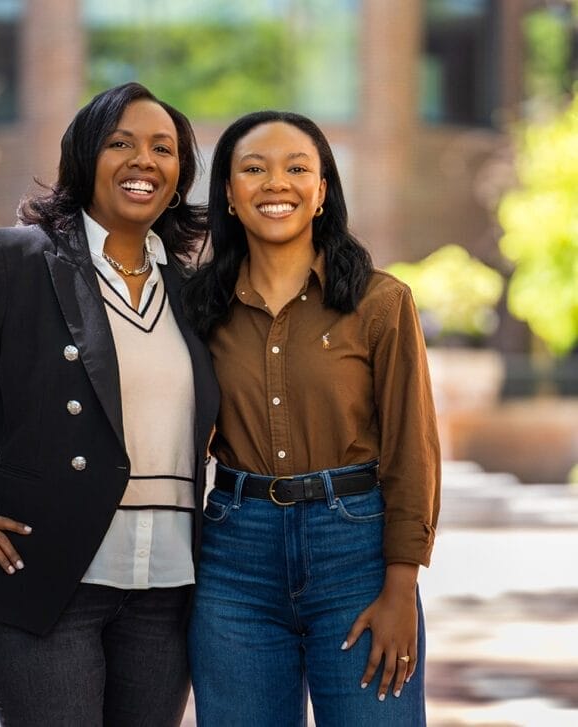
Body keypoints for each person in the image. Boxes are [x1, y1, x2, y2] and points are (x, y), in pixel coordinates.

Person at [0, 82, 219, 727]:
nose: (144, 160)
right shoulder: (20, 263)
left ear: (180, 176)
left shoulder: (194, 294)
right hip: (45, 578)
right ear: (85, 158)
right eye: (122, 144)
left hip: (168, 588)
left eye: (163, 149)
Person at [181, 111, 440, 726]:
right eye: (254, 169)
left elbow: (413, 451)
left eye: (298, 169)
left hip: (356, 553)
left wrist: (401, 588)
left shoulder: (381, 302)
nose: (277, 183)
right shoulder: (196, 306)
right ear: (228, 192)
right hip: (233, 559)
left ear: (322, 192)